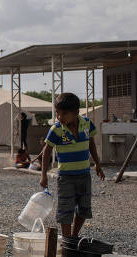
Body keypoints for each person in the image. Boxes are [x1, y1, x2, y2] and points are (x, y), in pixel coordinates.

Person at [39, 93, 105, 238]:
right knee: (65, 209)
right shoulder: (56, 129)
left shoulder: (87, 123)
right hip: (66, 178)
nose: (59, 117)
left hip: (84, 175)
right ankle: (68, 239)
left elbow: (91, 144)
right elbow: (46, 151)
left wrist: (97, 164)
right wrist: (43, 174)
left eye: (64, 114)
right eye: (57, 113)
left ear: (76, 113)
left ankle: (74, 236)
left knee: (84, 207)